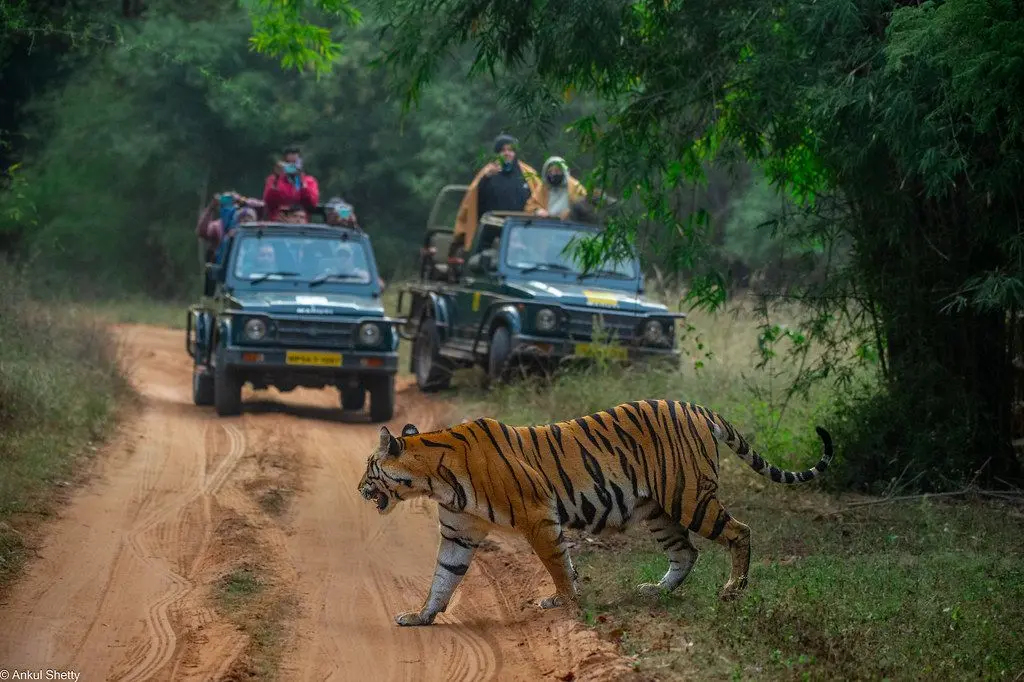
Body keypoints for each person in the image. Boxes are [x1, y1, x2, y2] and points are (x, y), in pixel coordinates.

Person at [450, 134, 541, 257]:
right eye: (503, 150)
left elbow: (541, 198)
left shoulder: (528, 174)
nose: (507, 153)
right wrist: (486, 179)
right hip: (491, 230)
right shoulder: (487, 173)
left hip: (521, 230)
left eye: (510, 150)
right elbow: (472, 201)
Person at [262, 145, 320, 221]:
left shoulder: (309, 181)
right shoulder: (273, 179)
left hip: (300, 221)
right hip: (278, 221)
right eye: (289, 164)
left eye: (295, 164)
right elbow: (269, 202)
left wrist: (301, 181)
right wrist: (276, 179)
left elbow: (312, 204)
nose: (292, 168)